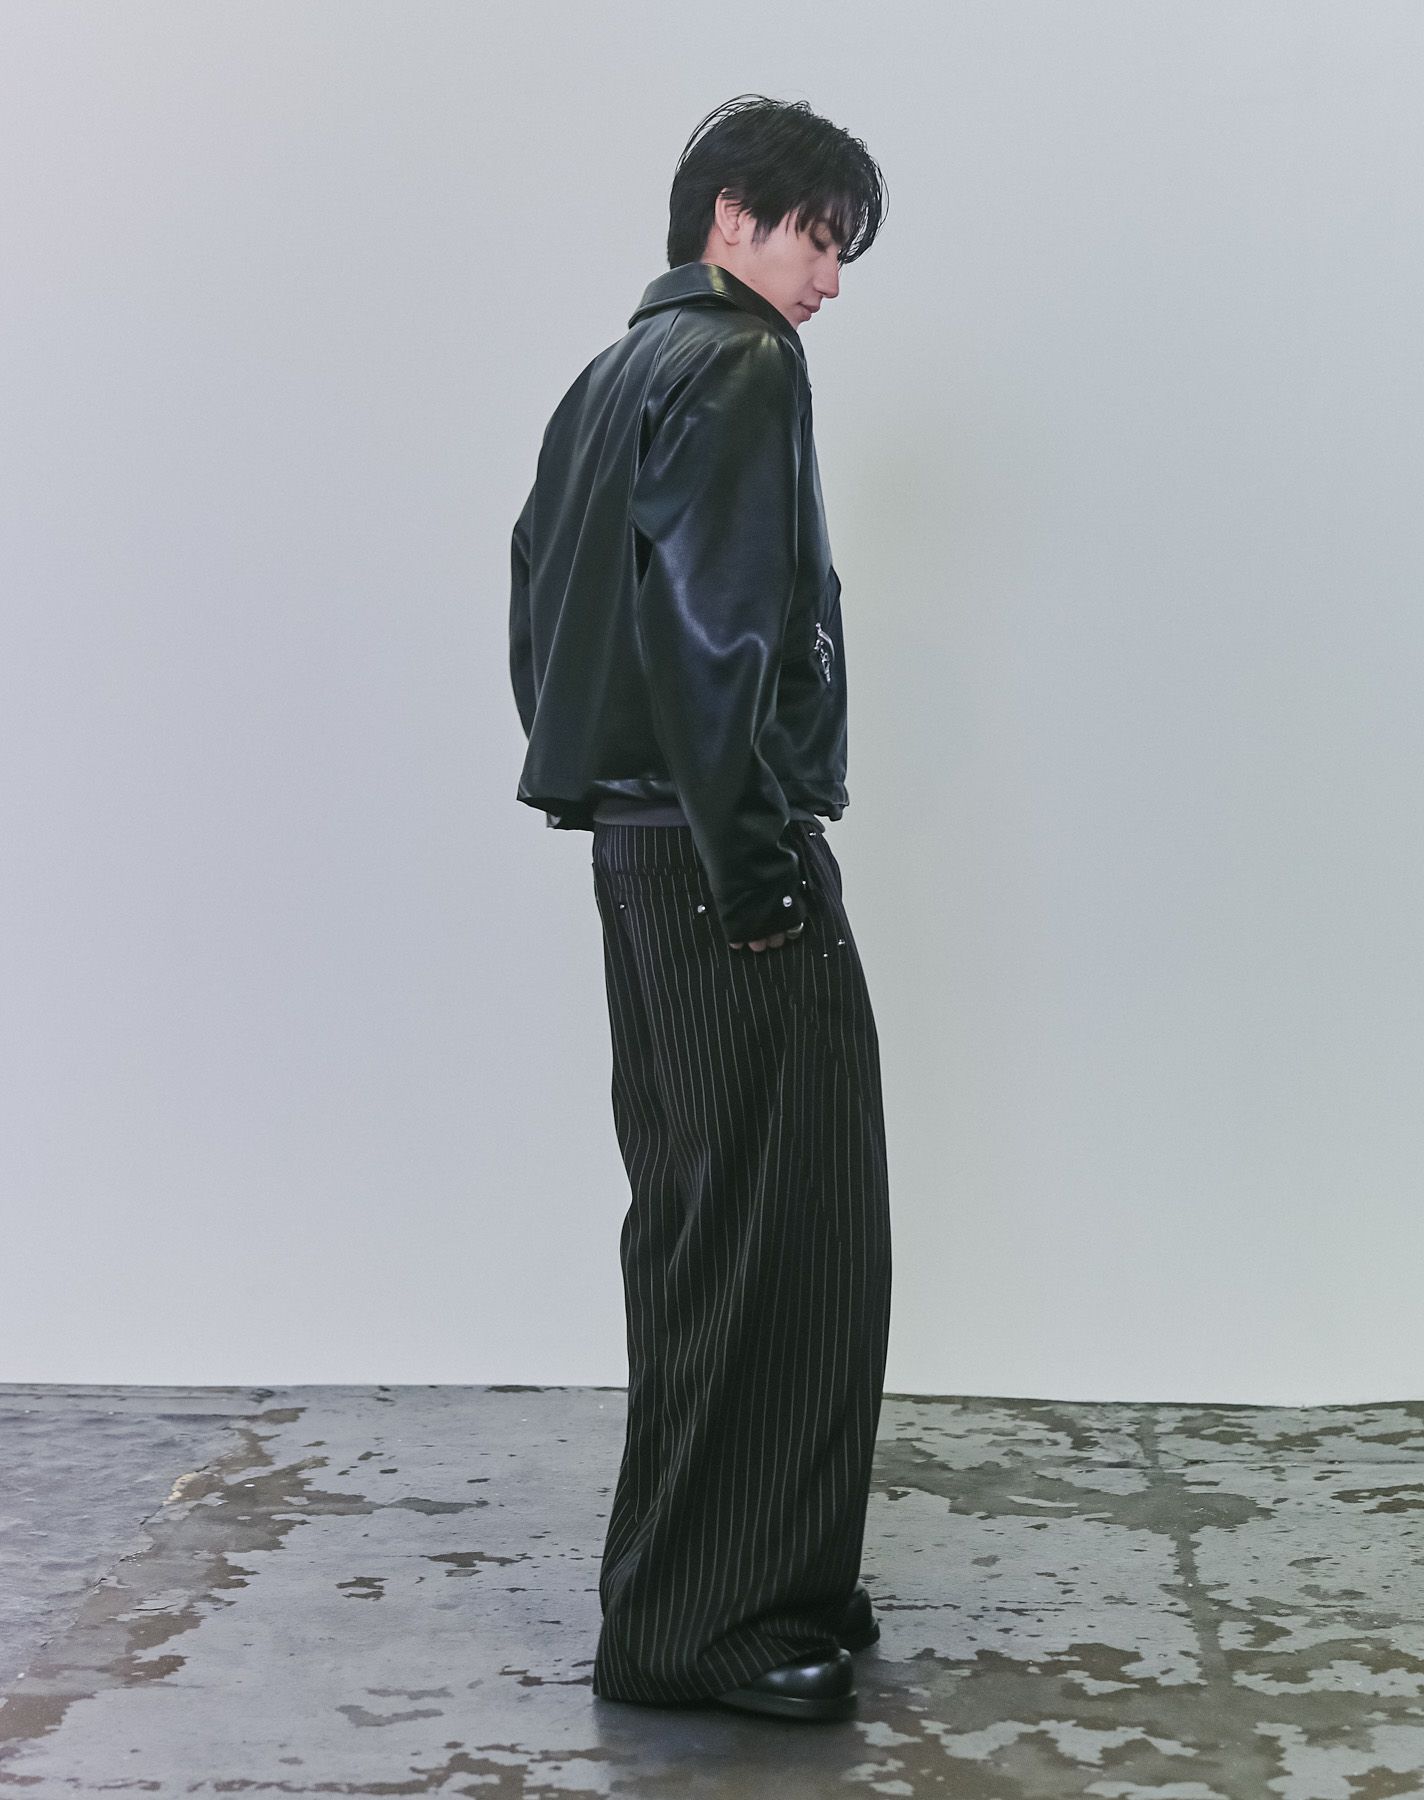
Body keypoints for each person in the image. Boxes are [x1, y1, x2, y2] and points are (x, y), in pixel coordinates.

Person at [509, 94, 892, 1723]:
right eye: (820, 237)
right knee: (790, 1234)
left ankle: (732, 1576)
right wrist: (755, 873)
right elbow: (712, 633)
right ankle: (703, 1626)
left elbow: (539, 606)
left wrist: (636, 814)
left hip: (638, 846)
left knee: (700, 1225)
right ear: (734, 214)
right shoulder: (738, 363)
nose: (831, 279)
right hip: (724, 856)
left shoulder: (612, 374)